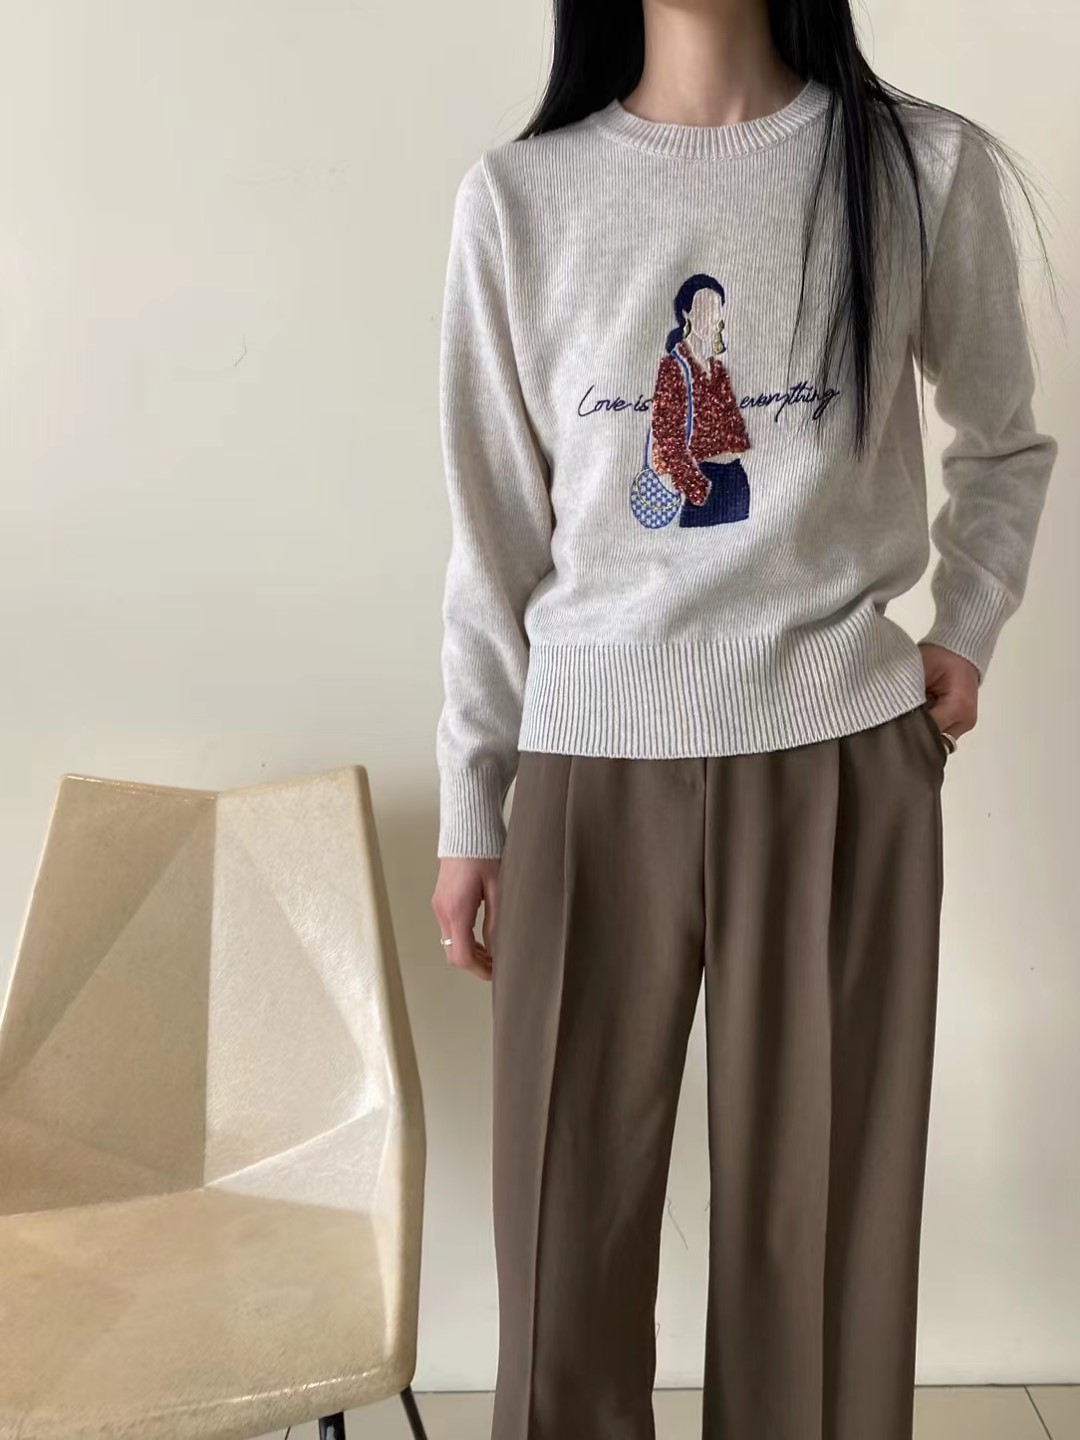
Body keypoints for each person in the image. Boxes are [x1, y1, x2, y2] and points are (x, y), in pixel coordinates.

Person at [430, 0, 1058, 1435]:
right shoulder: (521, 199)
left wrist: (963, 628)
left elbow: (1007, 441)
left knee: (817, 1255)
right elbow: (492, 540)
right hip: (588, 768)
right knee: (562, 1264)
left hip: (839, 761)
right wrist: (473, 805)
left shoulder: (918, 169)